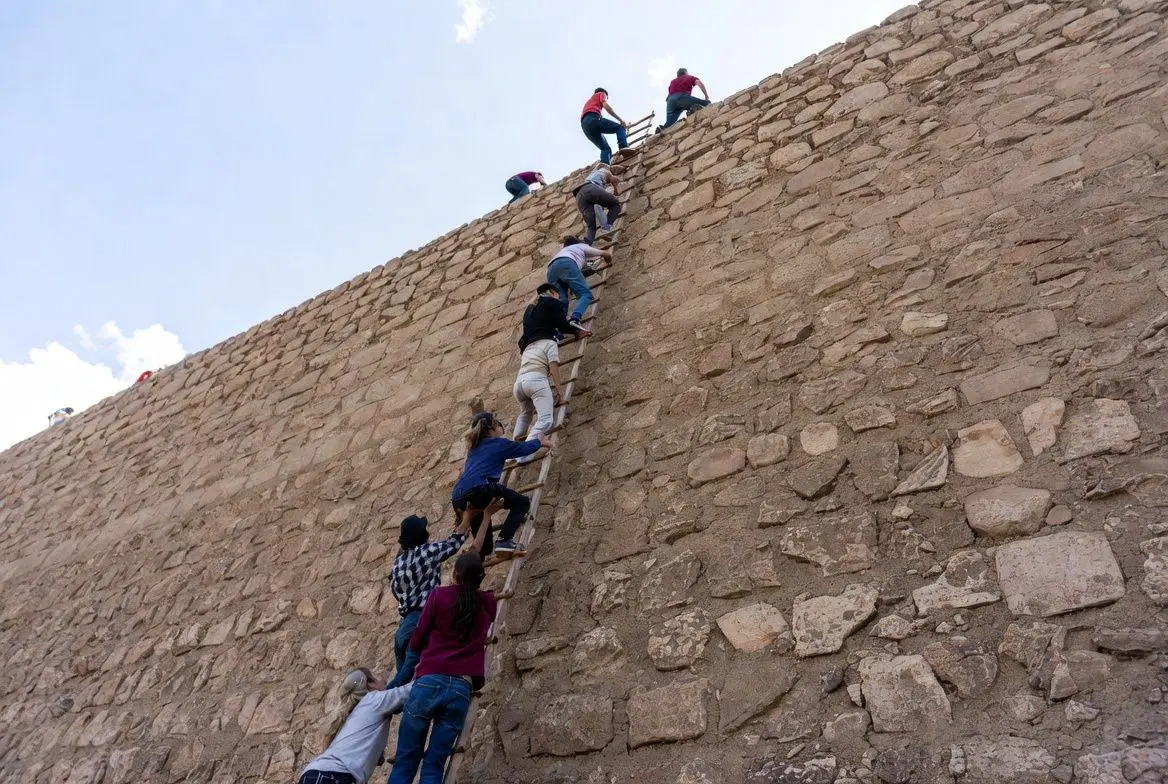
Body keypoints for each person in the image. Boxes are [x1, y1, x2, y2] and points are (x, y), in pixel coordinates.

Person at [388, 553, 496, 784]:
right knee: (434, 764)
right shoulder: (487, 603)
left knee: (405, 762)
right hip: (461, 688)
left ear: (455, 574)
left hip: (429, 680)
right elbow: (486, 604)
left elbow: (418, 638)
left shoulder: (439, 596)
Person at [386, 505, 495, 688]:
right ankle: (373, 699)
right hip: (419, 621)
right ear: (421, 534)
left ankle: (381, 699)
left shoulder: (397, 564)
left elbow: (396, 592)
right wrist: (468, 517)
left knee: (404, 685)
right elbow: (453, 543)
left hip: (403, 628)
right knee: (403, 680)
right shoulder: (425, 552)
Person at [450, 408, 551, 557]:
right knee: (521, 502)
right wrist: (540, 442)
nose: (501, 427)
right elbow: (523, 448)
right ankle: (504, 540)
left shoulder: (473, 449)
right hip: (480, 490)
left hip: (458, 496)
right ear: (491, 428)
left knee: (485, 548)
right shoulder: (497, 443)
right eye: (498, 424)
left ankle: (476, 558)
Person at [299, 668, 412, 784]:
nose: (384, 681)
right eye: (379, 679)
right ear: (371, 684)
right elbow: (410, 690)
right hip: (337, 774)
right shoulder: (373, 700)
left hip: (314, 774)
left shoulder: (354, 714)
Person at [511, 311, 566, 463]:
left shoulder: (529, 347)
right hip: (536, 381)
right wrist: (560, 392)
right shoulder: (550, 343)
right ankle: (523, 455)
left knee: (525, 415)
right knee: (546, 419)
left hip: (519, 384)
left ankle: (513, 452)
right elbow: (553, 368)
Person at [546, 236, 612, 331]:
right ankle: (575, 319)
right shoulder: (581, 246)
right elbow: (604, 254)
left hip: (550, 270)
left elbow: (584, 268)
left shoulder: (563, 252)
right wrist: (608, 259)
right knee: (585, 294)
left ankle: (558, 329)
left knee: (562, 300)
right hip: (567, 263)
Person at [518, 283, 591, 352]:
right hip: (543, 343)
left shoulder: (530, 309)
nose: (558, 298)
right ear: (552, 292)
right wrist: (576, 331)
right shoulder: (553, 301)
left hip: (526, 350)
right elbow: (562, 326)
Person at [580, 88, 635, 165]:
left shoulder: (590, 102)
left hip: (585, 126)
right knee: (620, 128)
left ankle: (604, 166)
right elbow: (606, 106)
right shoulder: (601, 94)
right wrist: (621, 120)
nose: (606, 98)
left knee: (605, 149)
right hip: (592, 119)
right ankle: (623, 147)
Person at [573, 164, 623, 245]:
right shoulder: (606, 171)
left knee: (591, 226)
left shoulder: (591, 175)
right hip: (591, 189)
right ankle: (606, 229)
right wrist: (616, 190)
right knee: (615, 204)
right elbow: (614, 179)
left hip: (579, 197)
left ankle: (586, 245)